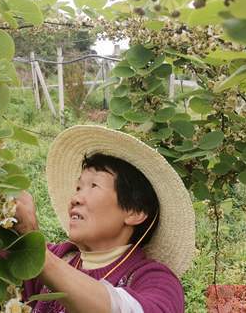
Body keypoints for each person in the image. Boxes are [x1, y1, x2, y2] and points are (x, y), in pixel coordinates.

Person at [13, 125, 196, 313]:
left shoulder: (155, 280)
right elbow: (0, 246)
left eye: (93, 186)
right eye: (78, 188)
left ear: (135, 212)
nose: (75, 199)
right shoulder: (62, 256)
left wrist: (39, 255)